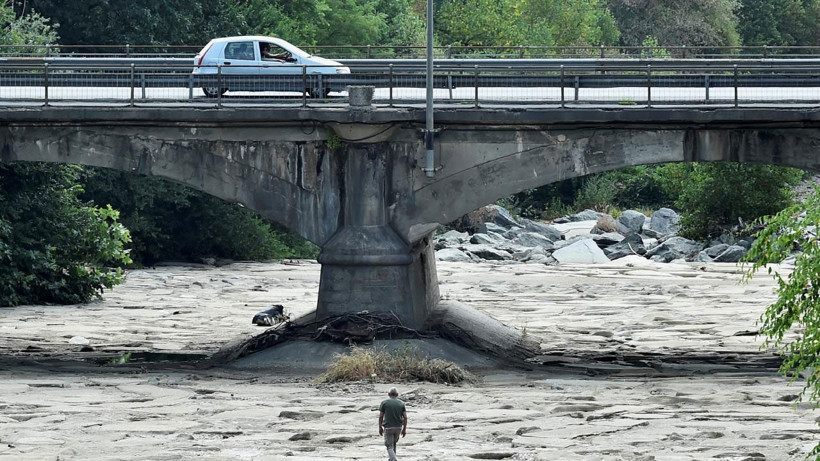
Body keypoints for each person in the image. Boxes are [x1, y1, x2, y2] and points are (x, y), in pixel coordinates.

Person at [378, 387, 407, 461]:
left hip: (388, 427)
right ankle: (391, 458)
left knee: (389, 445)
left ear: (388, 394)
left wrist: (380, 427)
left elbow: (381, 416)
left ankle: (393, 459)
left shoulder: (384, 403)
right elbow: (405, 417)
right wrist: (404, 429)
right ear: (397, 394)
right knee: (394, 443)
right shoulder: (401, 403)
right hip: (398, 427)